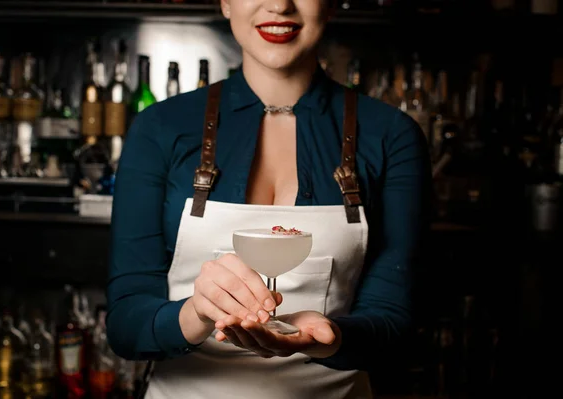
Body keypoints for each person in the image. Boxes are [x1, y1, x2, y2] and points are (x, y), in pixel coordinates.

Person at [106, 0, 431, 398]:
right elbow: (124, 324)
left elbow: (396, 323)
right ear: (225, 2)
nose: (279, 5)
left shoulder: (391, 135)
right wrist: (196, 312)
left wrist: (331, 337)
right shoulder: (159, 128)